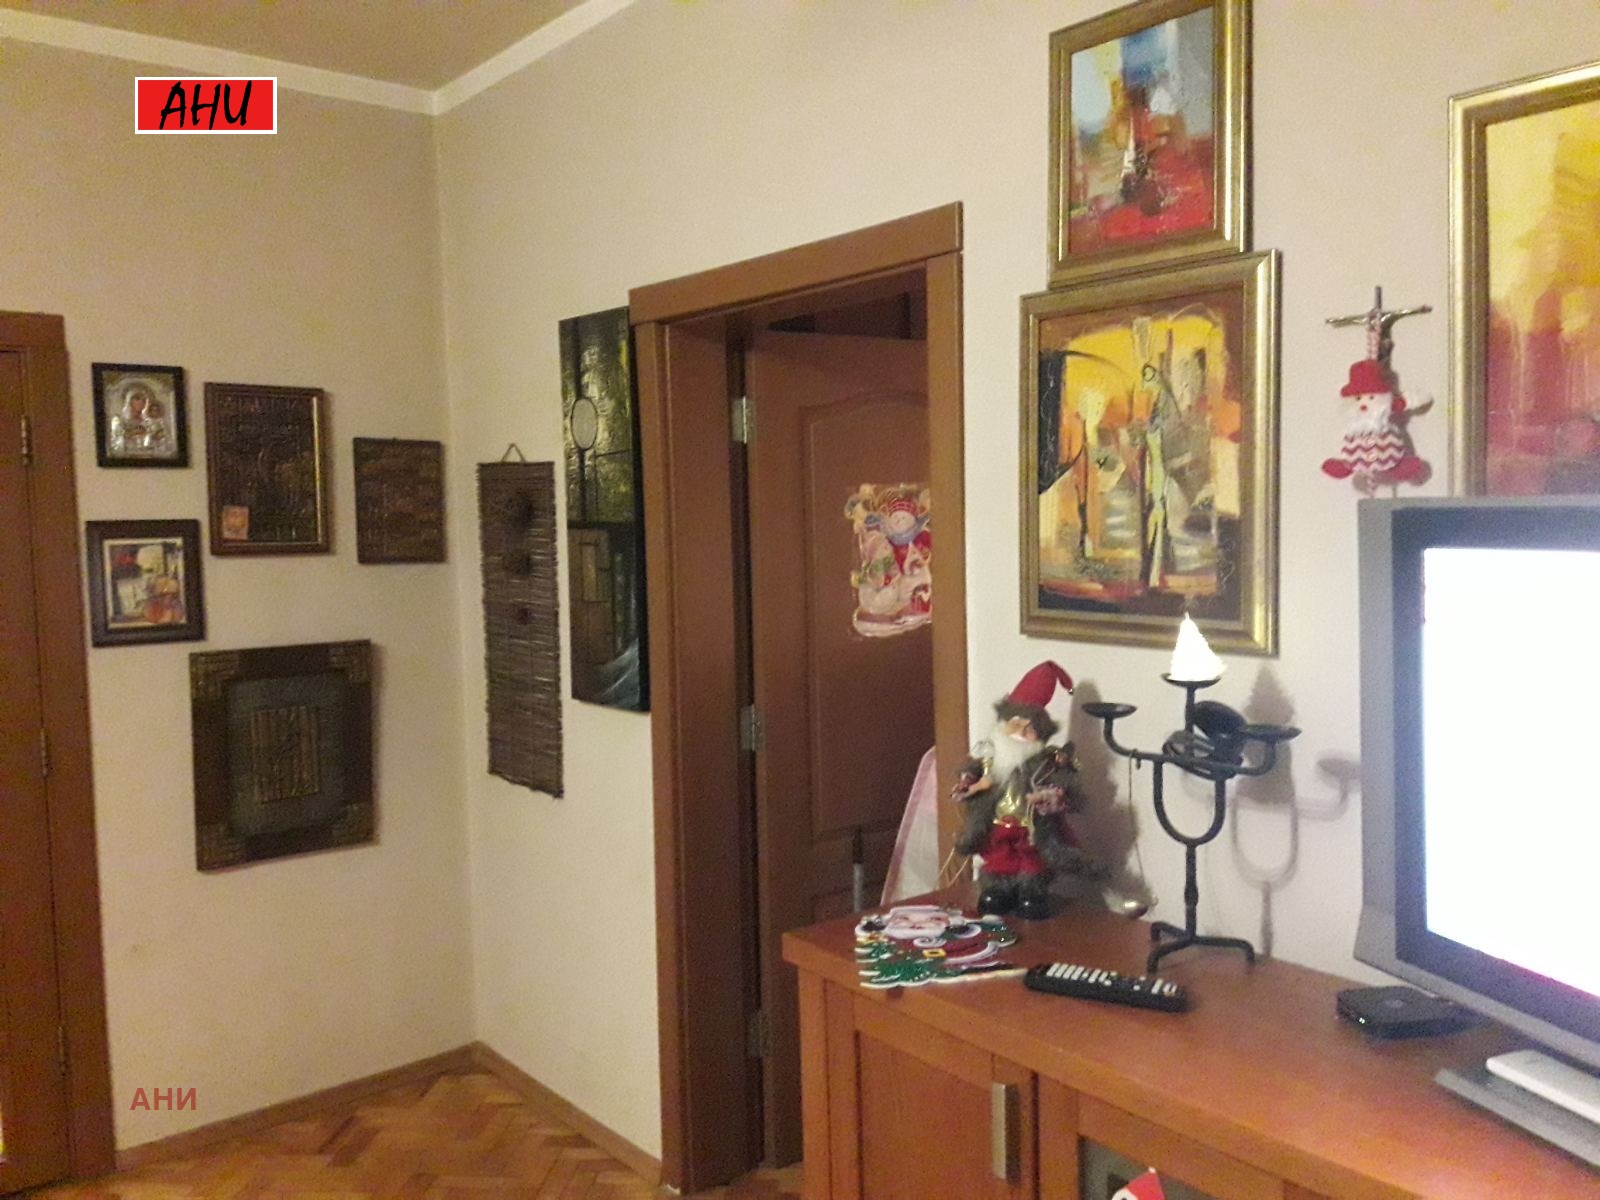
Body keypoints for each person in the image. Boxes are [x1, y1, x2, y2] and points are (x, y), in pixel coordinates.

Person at [952, 661, 1099, 918]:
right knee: (998, 859)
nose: (1021, 732)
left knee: (1032, 862)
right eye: (1016, 724)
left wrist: (1054, 796)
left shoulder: (1046, 762)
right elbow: (973, 772)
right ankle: (998, 891)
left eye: (1030, 729)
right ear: (1003, 723)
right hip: (998, 823)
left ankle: (1031, 892)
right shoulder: (989, 756)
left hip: (1029, 827)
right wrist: (967, 782)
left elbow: (1067, 787)